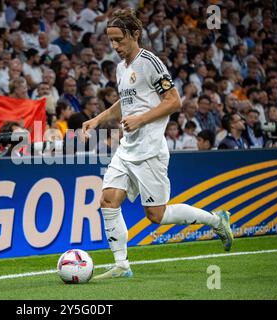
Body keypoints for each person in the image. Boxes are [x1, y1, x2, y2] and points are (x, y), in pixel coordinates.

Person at [81, 8, 233, 279]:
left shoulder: (150, 62)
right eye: (111, 41)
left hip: (150, 150)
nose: (114, 46)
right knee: (108, 199)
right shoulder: (120, 68)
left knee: (156, 215)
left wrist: (140, 119)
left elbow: (175, 101)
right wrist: (98, 119)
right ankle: (121, 265)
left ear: (134, 34)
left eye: (119, 39)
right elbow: (124, 103)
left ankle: (215, 220)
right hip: (127, 148)